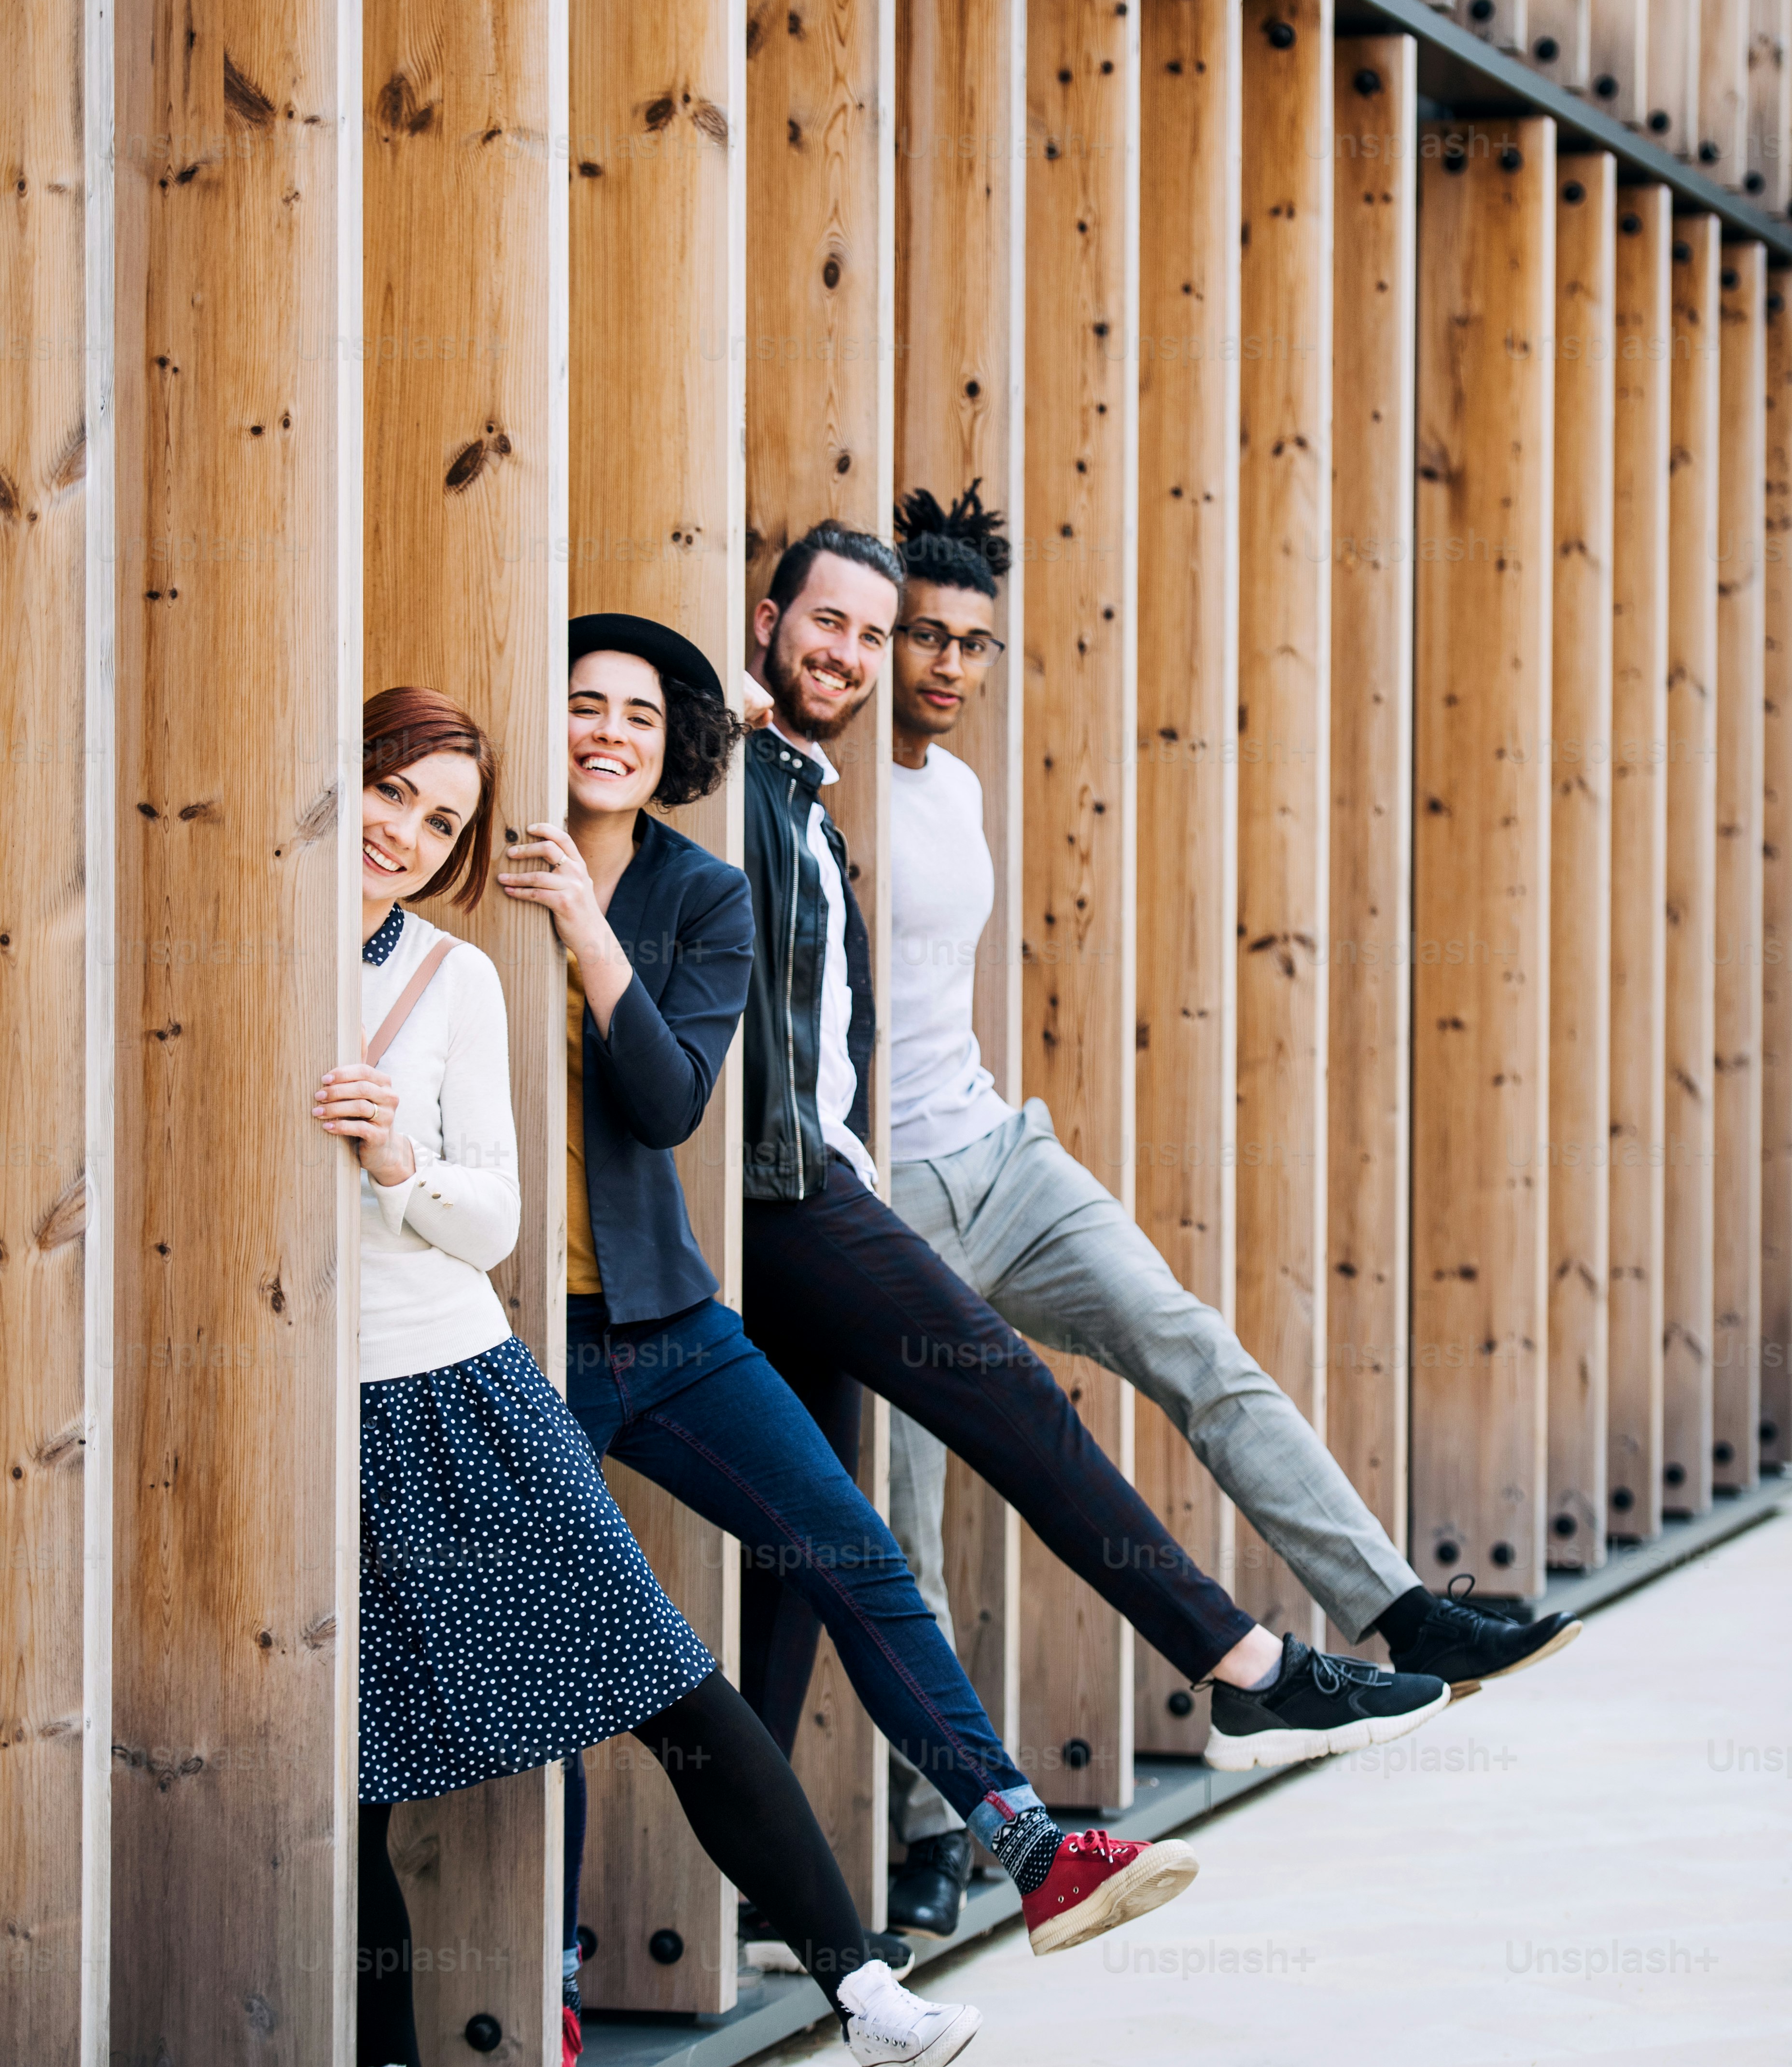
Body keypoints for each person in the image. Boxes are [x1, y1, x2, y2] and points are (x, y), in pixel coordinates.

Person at [873, 486, 1582, 1935]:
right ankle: (940, 1830)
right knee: (904, 1516)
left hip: (1001, 1161)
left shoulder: (956, 789)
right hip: (876, 1205)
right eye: (924, 638)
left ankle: (1399, 1611)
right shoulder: (806, 781)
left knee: (1191, 1342)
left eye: (974, 643)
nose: (948, 666)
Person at [321, 689, 982, 2067]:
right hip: (295, 1412)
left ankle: (859, 1988)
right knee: (344, 1758)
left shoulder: (452, 980)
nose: (405, 836)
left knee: (663, 1679)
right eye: (389, 794)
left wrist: (400, 1162)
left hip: (457, 1386)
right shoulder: (247, 955)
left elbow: (492, 1215)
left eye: (438, 821)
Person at [494, 615, 1204, 1981]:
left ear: (673, 748)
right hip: (520, 1348)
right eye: (583, 706)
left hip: (667, 1321)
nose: (608, 735)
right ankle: (549, 1974)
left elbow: (666, 1101)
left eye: (640, 718)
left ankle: (1031, 1844)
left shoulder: (697, 896)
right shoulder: (481, 875)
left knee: (853, 1550)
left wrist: (589, 930)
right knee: (579, 1661)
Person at [718, 529, 1456, 1834]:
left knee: (815, 1556)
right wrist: (715, 714)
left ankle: (838, 1914)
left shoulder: (806, 795)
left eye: (875, 636)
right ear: (766, 619)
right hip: (795, 1200)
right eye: (834, 625)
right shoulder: (732, 775)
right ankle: (1244, 1673)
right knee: (1001, 1414)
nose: (856, 654)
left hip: (846, 1177)